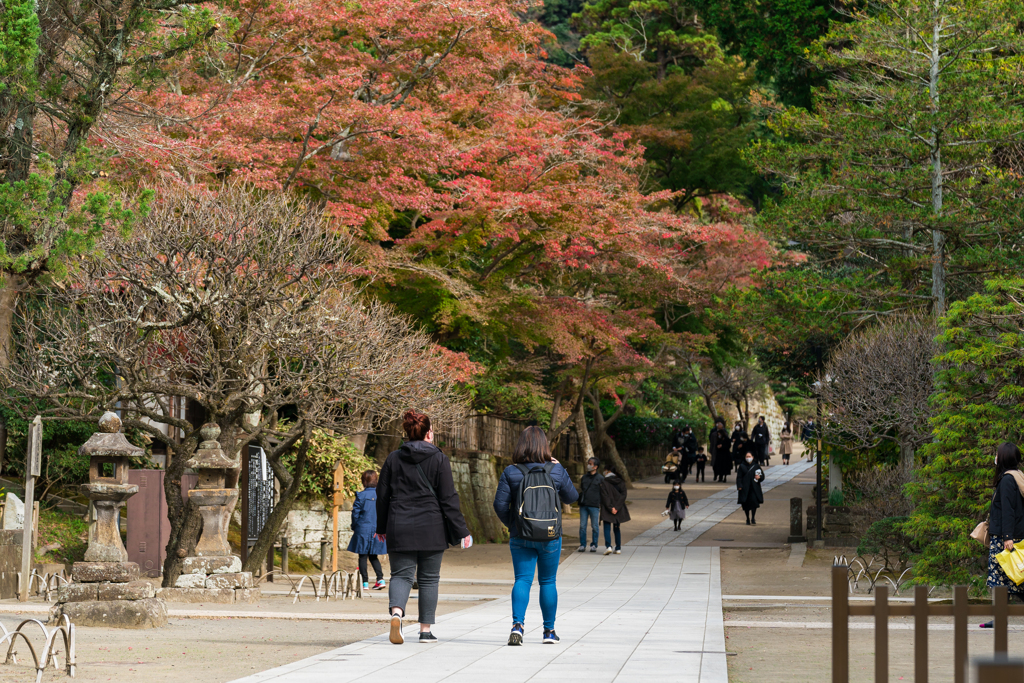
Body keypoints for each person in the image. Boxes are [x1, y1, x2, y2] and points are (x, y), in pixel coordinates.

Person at [377, 410, 472, 645]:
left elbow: (381, 496)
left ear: (407, 433)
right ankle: (425, 631)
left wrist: (381, 527)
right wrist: (462, 531)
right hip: (431, 526)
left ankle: (397, 614)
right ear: (429, 432)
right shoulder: (439, 458)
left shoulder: (393, 458)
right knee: (429, 579)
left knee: (400, 575)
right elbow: (449, 498)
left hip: (399, 524)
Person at [493, 426, 578, 646]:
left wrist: (514, 525)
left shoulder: (511, 472)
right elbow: (572, 497)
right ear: (544, 445)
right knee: (548, 581)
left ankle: (517, 626)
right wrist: (562, 469)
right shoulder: (556, 471)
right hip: (551, 535)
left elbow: (499, 505)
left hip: (521, 534)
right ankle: (549, 631)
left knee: (522, 579)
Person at [986, 442, 1024, 609]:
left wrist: (1007, 537)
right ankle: (999, 618)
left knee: (1009, 579)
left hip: (1005, 537)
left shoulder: (1008, 480)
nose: (995, 457)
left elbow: (1008, 510)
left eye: (997, 454)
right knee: (1006, 580)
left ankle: (999, 618)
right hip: (1010, 534)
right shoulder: (1018, 476)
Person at [347, 469, 388, 590]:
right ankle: (380, 579)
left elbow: (355, 514)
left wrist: (354, 526)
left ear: (364, 481)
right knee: (374, 556)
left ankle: (364, 583)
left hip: (363, 528)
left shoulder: (361, 495)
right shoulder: (382, 495)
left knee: (363, 556)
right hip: (377, 529)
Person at [599, 465, 630, 554]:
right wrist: (616, 507)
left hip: (607, 508)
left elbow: (604, 496)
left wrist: (610, 507)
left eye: (605, 471)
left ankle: (608, 546)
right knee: (617, 528)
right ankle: (618, 547)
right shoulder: (621, 481)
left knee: (607, 528)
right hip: (618, 509)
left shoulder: (604, 482)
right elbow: (623, 495)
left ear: (608, 471)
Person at [577, 457, 603, 553]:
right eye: (588, 463)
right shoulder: (584, 477)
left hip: (594, 505)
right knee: (582, 526)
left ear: (595, 467)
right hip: (584, 505)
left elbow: (603, 492)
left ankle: (594, 544)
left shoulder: (600, 478)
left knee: (595, 526)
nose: (588, 465)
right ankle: (582, 544)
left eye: (590, 464)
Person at [736, 450, 765, 525]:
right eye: (747, 456)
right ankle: (747, 518)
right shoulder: (742, 466)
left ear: (753, 457)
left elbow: (762, 476)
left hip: (754, 488)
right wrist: (739, 486)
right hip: (745, 488)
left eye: (749, 456)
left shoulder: (756, 466)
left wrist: (759, 477)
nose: (748, 458)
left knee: (754, 503)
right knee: (746, 504)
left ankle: (753, 517)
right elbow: (739, 477)